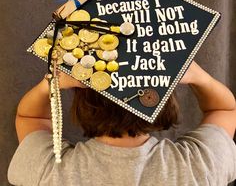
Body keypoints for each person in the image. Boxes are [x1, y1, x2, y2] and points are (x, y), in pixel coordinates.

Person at [7, 61, 236, 185]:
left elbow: (30, 118)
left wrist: (51, 83)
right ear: (162, 101)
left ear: (81, 103)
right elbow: (224, 109)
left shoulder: (47, 172)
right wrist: (198, 75)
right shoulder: (202, 165)